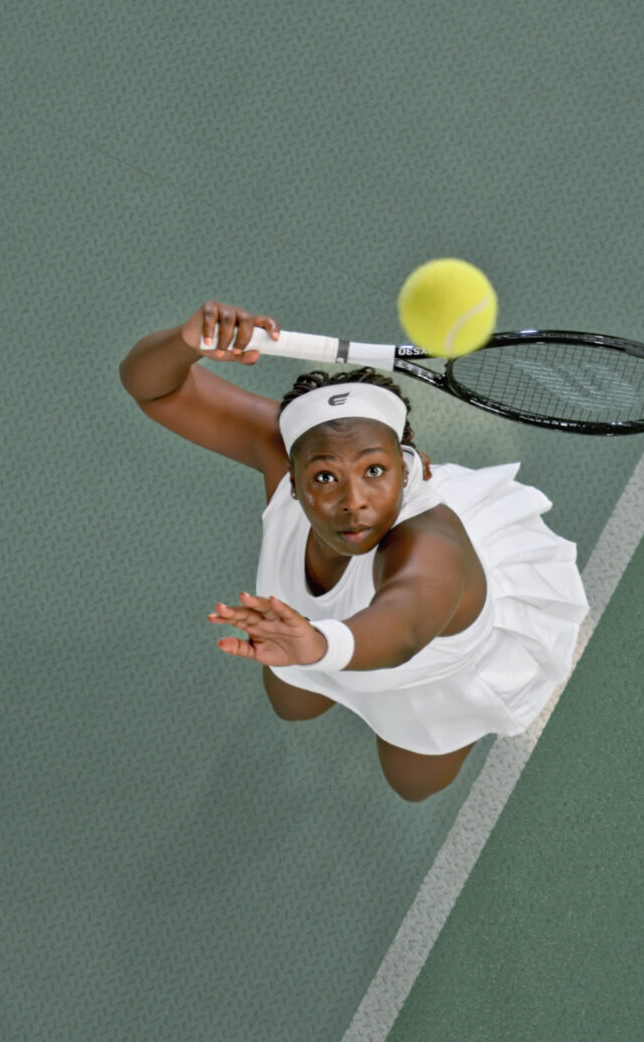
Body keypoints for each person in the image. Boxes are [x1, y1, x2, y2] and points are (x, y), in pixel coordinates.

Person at [118, 301, 589, 801]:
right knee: (293, 705)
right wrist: (186, 342)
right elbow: (153, 387)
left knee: (411, 785)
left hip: (425, 674)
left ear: (406, 469)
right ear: (291, 478)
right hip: (315, 640)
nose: (354, 501)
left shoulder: (433, 545)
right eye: (325, 477)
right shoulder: (282, 452)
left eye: (375, 471)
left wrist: (320, 646)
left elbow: (405, 624)